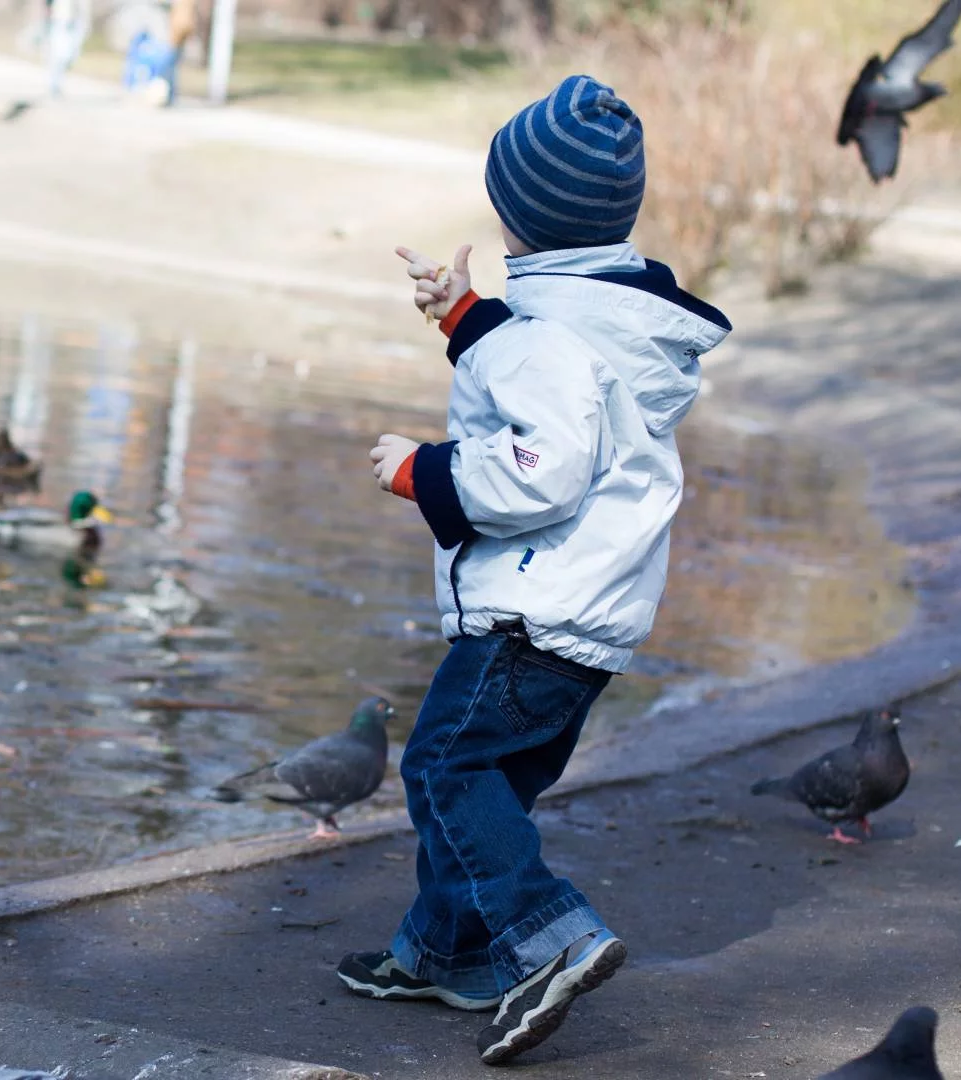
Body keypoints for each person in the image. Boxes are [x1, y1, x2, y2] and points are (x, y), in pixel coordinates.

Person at [344, 74, 732, 1066]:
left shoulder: (554, 333)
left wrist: (425, 472)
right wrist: (464, 315)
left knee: (443, 768)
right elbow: (544, 372)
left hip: (531, 611)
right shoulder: (604, 316)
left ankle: (551, 934)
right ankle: (446, 952)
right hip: (589, 615)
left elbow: (541, 466)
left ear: (519, 215)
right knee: (487, 788)